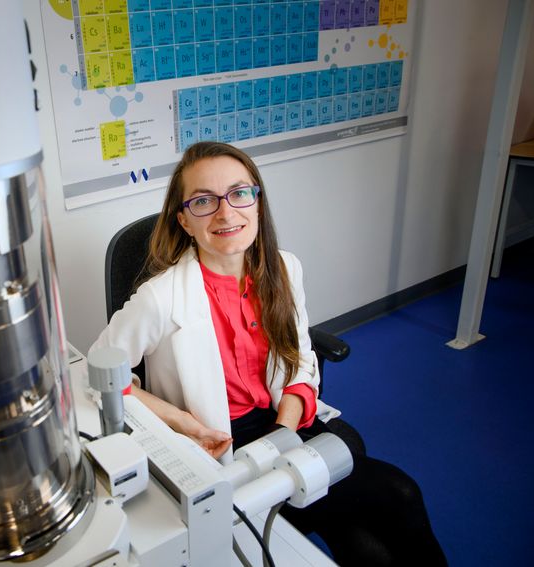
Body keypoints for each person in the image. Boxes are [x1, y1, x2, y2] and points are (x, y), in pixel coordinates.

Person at [91, 141, 446, 566]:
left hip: (285, 423)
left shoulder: (283, 268)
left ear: (257, 203)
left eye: (239, 193)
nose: (226, 212)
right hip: (219, 445)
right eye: (204, 201)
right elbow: (97, 375)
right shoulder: (160, 298)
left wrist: (286, 432)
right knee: (394, 497)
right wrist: (181, 421)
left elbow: (299, 357)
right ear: (184, 220)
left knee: (367, 523)